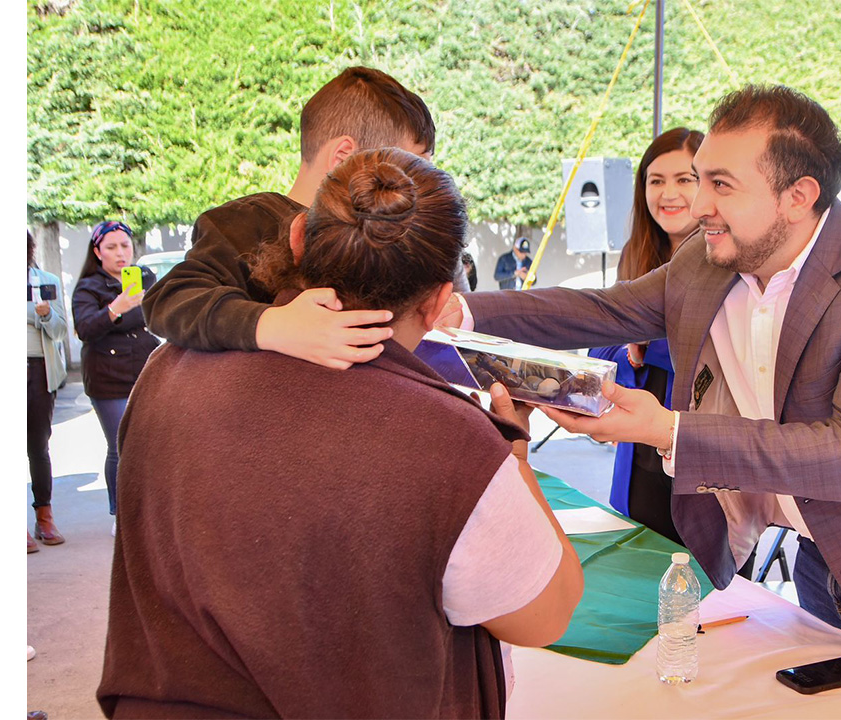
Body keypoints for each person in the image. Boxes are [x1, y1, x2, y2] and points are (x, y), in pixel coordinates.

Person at [443, 85, 841, 693]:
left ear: (798, 197)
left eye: (721, 185)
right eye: (700, 179)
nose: (698, 203)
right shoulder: (707, 261)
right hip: (818, 549)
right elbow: (598, 309)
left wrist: (663, 429)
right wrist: (456, 311)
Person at [97, 148, 583, 719]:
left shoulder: (165, 373)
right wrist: (515, 454)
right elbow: (546, 613)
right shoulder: (451, 441)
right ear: (438, 304)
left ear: (298, 237)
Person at [141, 66, 434, 369]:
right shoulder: (247, 223)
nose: (419, 188)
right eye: (410, 168)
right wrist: (273, 325)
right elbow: (170, 299)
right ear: (344, 157)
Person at [587, 127, 703, 547]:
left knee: (706, 598)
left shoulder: (731, 257)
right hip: (637, 454)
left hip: (698, 452)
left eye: (684, 179)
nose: (668, 193)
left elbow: (721, 354)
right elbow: (599, 347)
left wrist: (645, 343)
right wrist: (630, 347)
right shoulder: (635, 254)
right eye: (656, 181)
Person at [72, 221, 161, 532]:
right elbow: (85, 329)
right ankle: (120, 514)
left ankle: (148, 509)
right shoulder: (88, 287)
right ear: (97, 252)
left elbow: (157, 317)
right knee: (121, 444)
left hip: (145, 370)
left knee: (150, 443)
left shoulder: (144, 278)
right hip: (108, 377)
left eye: (125, 245)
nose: (121, 253)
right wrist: (116, 308)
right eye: (111, 247)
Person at [27, 231, 69, 550]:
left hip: (39, 371)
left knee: (38, 446)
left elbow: (59, 331)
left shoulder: (46, 280)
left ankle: (45, 516)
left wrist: (46, 314)